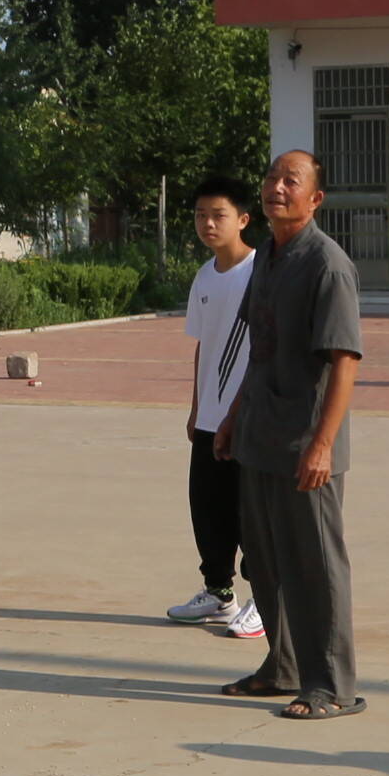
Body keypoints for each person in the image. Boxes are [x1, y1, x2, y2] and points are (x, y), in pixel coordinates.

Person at [213, 149, 362, 717]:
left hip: (306, 443)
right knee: (267, 559)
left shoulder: (327, 265)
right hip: (260, 435)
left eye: (290, 180)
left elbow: (345, 359)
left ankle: (332, 685)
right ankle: (284, 666)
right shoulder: (268, 258)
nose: (277, 187)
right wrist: (231, 419)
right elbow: (259, 350)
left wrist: (323, 443)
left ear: (315, 199)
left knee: (316, 565)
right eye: (272, 177)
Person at [163, 177, 267, 639]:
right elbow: (205, 345)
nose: (208, 223)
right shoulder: (205, 275)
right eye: (201, 215)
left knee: (252, 513)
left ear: (243, 220)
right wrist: (196, 407)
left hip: (250, 417)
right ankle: (219, 596)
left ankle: (265, 600)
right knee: (208, 508)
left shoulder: (263, 270)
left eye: (218, 214)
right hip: (209, 417)